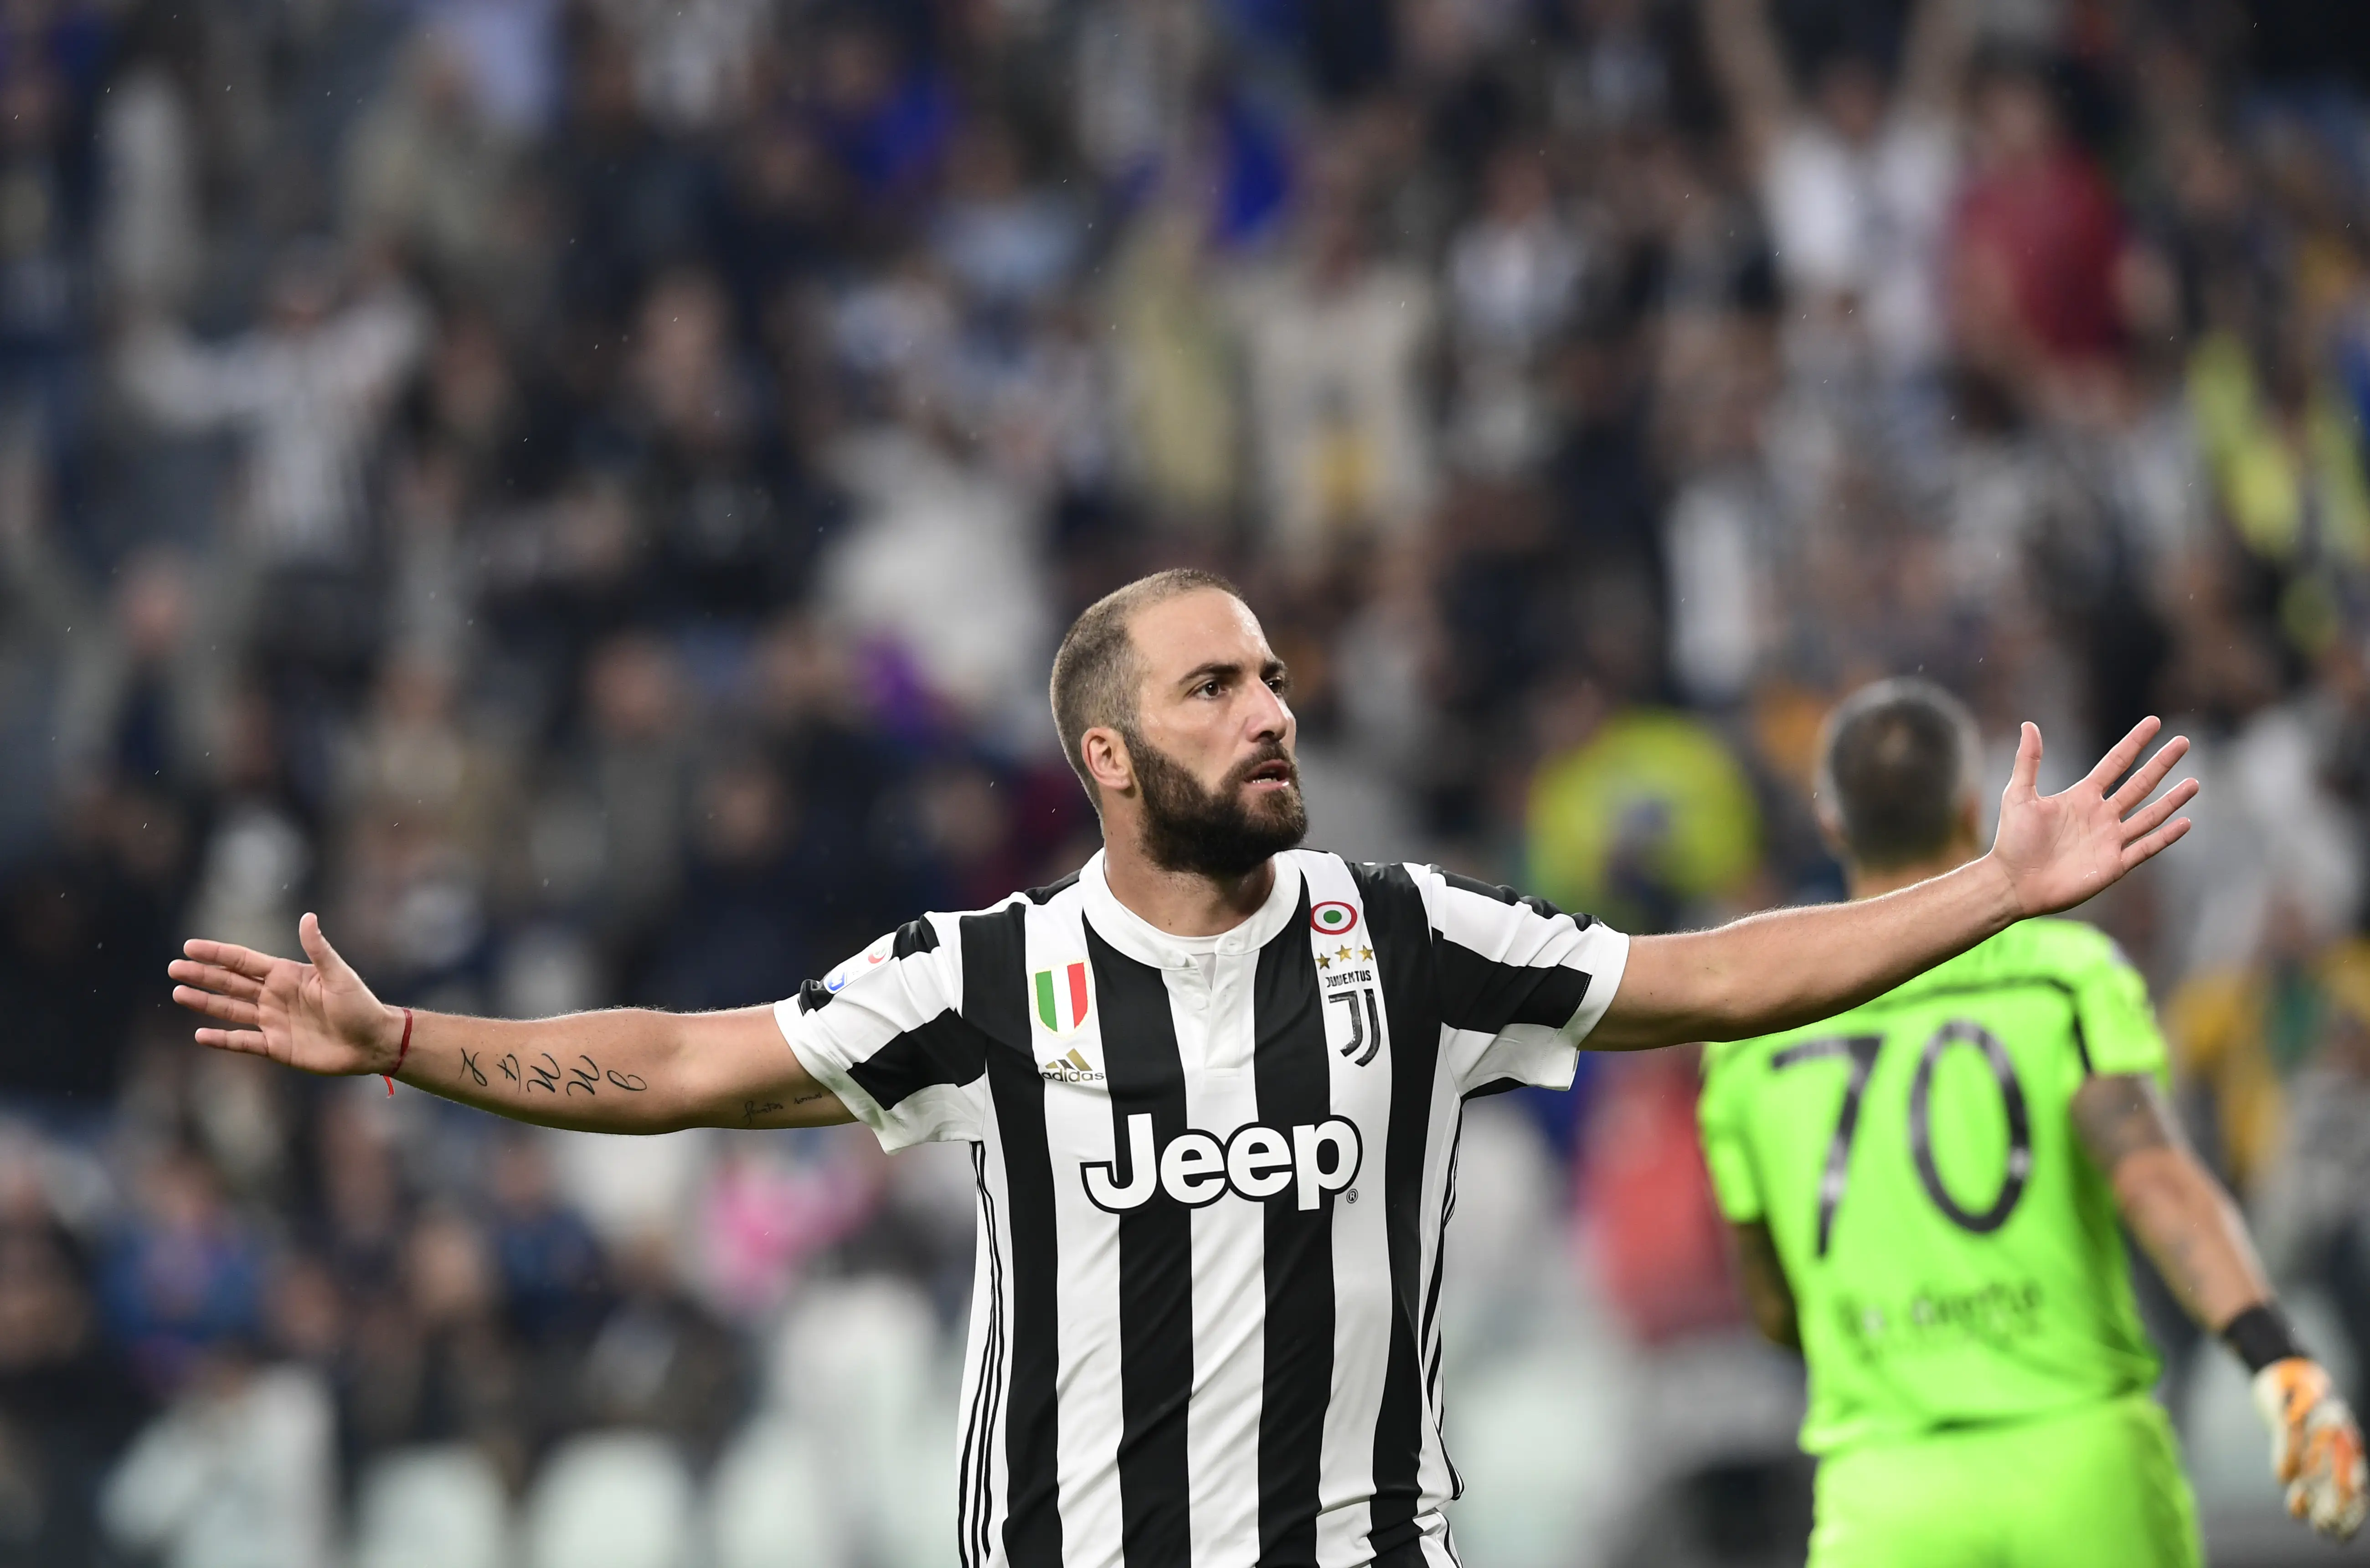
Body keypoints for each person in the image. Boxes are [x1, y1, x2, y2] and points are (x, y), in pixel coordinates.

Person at [172, 570, 2200, 1568]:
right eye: (1216, 683)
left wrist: (1995, 895)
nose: (1270, 707)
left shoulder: (1404, 939)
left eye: (1277, 676)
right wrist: (409, 1042)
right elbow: (695, 1054)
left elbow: (1723, 974)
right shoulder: (987, 975)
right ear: (1111, 757)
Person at [1697, 679, 2366, 1568]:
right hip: (2080, 1467)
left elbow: (1773, 1305)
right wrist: (2274, 1355)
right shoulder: (2058, 973)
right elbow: (2153, 1178)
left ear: (1829, 823)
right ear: (1972, 806)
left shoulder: (1752, 1038)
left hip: (1886, 1492)